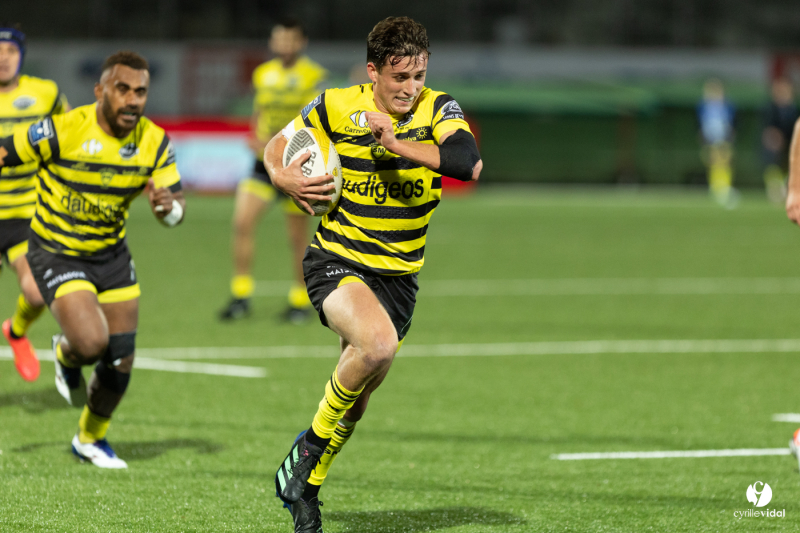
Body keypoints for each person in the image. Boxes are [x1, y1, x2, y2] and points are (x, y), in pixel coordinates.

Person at [263, 16, 482, 532]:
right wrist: (282, 175)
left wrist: (397, 143)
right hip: (337, 260)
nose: (411, 88)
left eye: (419, 76)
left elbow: (467, 162)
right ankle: (306, 449)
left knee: (356, 404)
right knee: (378, 346)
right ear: (373, 71)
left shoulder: (438, 108)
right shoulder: (337, 105)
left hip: (398, 280)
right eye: (400, 77)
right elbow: (279, 142)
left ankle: (307, 490)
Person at [0, 51, 185, 468]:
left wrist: (167, 210)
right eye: (123, 89)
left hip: (111, 256)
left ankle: (89, 438)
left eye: (141, 91)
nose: (133, 100)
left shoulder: (154, 141)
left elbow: (177, 207)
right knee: (90, 343)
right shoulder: (62, 130)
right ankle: (68, 354)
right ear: (100, 91)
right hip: (56, 250)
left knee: (121, 357)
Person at [219, 18, 327, 323]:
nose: (285, 45)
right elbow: (260, 110)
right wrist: (256, 136)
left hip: (296, 164)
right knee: (242, 222)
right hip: (262, 162)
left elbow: (312, 122)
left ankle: (299, 301)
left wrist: (284, 146)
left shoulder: (314, 76)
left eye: (291, 39)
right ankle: (241, 295)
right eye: (280, 39)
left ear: (301, 42)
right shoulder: (263, 74)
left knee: (297, 238)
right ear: (272, 42)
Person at [0, 24, 69, 382]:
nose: (2, 58)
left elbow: (68, 133)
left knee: (37, 291)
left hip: (24, 212)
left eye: (10, 51)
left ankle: (15, 331)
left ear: (20, 55)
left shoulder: (45, 93)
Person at [697, 78, 738, 208]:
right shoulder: (703, 107)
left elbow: (733, 123)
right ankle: (716, 188)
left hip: (724, 139)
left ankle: (725, 187)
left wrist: (731, 135)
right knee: (714, 163)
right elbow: (700, 124)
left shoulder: (727, 106)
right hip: (710, 140)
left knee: (725, 163)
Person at [762, 77, 799, 203]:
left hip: (790, 142)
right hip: (774, 143)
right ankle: (775, 188)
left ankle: (787, 187)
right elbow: (768, 130)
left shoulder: (793, 109)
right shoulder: (770, 108)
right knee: (772, 156)